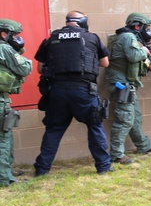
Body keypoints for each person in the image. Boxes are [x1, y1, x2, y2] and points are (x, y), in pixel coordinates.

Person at [33, 11, 113, 175]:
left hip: (57, 91)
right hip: (83, 91)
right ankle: (104, 167)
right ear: (83, 22)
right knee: (95, 126)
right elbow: (105, 63)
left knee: (54, 129)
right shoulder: (92, 37)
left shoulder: (51, 39)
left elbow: (40, 68)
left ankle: (41, 170)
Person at [105, 13, 151, 164]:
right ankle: (116, 154)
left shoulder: (129, 37)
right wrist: (145, 50)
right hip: (121, 84)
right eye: (146, 27)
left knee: (134, 117)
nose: (148, 31)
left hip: (127, 82)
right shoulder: (127, 37)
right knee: (125, 118)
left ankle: (144, 145)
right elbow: (133, 56)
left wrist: (150, 66)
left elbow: (133, 60)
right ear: (137, 26)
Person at [0, 19, 33, 186]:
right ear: (4, 33)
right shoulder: (4, 48)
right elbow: (25, 68)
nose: (16, 38)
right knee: (3, 139)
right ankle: (5, 178)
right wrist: (18, 51)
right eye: (14, 35)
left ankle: (6, 171)